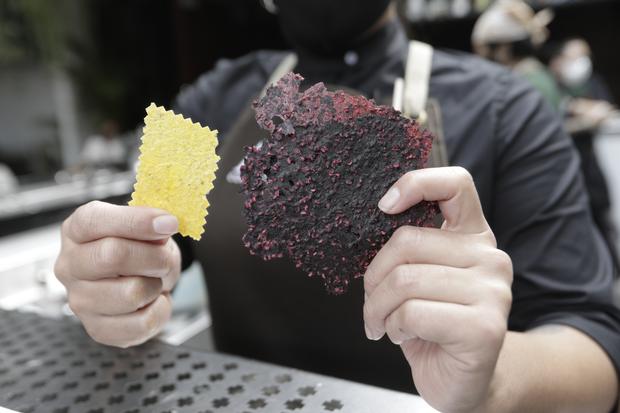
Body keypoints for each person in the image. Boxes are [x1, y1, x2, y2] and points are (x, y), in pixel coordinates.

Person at [54, 1, 620, 412]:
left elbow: (595, 351)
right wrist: (111, 282)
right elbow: (143, 251)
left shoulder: (506, 110)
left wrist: (492, 380)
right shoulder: (209, 99)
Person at [548, 38, 620, 271]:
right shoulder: (551, 89)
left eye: (585, 56)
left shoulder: (592, 82)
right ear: (557, 62)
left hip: (592, 164)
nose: (582, 63)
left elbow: (606, 108)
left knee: (603, 214)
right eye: (575, 57)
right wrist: (583, 119)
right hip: (567, 167)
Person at [471, 0, 562, 111]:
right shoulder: (532, 75)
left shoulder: (524, 84)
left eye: (485, 49)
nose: (479, 57)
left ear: (504, 49)